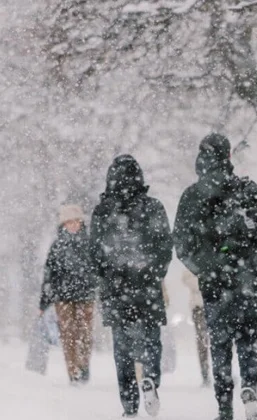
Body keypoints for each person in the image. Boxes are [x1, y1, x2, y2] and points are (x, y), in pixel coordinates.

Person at [173, 133, 257, 420]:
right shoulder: (250, 191)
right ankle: (250, 387)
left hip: (213, 284)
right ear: (228, 157)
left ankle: (223, 405)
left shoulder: (193, 196)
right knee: (247, 338)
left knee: (218, 343)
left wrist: (205, 267)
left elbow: (181, 243)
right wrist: (255, 267)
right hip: (245, 282)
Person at [90, 155, 173, 418]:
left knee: (123, 347)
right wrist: (154, 272)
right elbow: (164, 245)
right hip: (146, 287)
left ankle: (129, 404)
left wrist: (107, 275)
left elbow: (95, 253)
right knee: (151, 339)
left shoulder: (103, 211)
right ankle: (150, 378)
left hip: (116, 289)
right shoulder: (153, 207)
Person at [39, 204, 96, 384]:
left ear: (81, 223)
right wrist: (44, 302)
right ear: (63, 224)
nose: (72, 225)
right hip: (63, 297)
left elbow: (98, 270)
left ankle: (83, 364)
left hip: (86, 296)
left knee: (84, 333)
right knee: (68, 335)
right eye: (68, 222)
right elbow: (49, 275)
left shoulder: (89, 243)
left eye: (75, 221)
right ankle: (73, 371)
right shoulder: (57, 247)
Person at [181, 269, 211, 386]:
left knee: (220, 339)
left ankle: (222, 371)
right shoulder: (194, 260)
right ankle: (205, 373)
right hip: (199, 306)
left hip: (215, 302)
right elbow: (186, 279)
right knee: (202, 340)